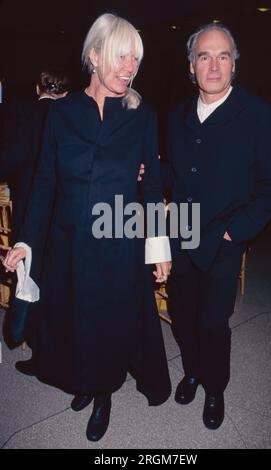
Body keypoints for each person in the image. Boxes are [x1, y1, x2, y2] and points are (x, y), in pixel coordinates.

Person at [2, 13, 171, 442]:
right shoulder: (60, 115)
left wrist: (158, 247)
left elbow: (151, 185)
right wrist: (24, 240)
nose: (129, 67)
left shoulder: (141, 116)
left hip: (118, 241)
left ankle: (103, 393)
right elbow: (42, 182)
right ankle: (81, 379)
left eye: (135, 58)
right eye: (120, 57)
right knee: (72, 317)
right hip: (67, 240)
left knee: (109, 321)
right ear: (94, 56)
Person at [163, 23, 271, 430]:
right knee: (181, 314)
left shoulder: (261, 116)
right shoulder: (177, 116)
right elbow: (176, 174)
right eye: (204, 56)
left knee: (212, 322)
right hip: (182, 234)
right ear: (190, 65)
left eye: (222, 56)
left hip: (223, 239)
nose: (213, 65)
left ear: (234, 64)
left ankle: (214, 386)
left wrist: (236, 232)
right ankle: (193, 371)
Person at [0, 68, 69, 360]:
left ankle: (28, 336)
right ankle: (54, 344)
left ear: (36, 88)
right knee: (59, 278)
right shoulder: (71, 117)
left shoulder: (18, 114)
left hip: (29, 211)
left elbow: (9, 160)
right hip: (64, 214)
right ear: (64, 93)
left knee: (28, 275)